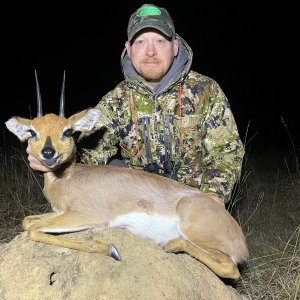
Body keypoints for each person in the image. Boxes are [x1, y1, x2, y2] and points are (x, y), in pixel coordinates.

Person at [27, 4, 245, 206]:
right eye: (141, 42)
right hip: (139, 200)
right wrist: (52, 156)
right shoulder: (116, 100)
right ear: (129, 49)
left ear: (175, 46)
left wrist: (212, 198)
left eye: (160, 41)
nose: (150, 51)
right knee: (108, 174)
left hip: (189, 199)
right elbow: (87, 155)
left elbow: (228, 155)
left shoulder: (205, 90)